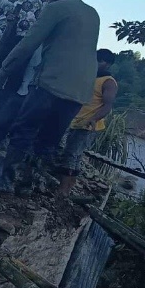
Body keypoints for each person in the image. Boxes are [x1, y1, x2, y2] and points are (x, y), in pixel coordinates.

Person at [0, 0, 100, 193]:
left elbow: (29, 42)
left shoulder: (56, 7)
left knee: (24, 129)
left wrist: (4, 69)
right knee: (48, 140)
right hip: (80, 90)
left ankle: (6, 181)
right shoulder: (92, 13)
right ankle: (27, 185)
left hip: (52, 82)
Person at [52, 49, 118, 196]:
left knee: (71, 154)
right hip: (76, 121)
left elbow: (107, 106)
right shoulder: (90, 76)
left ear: (108, 64)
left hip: (88, 125)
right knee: (73, 155)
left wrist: (93, 119)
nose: (96, 63)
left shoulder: (108, 82)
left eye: (100, 61)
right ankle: (68, 187)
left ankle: (63, 189)